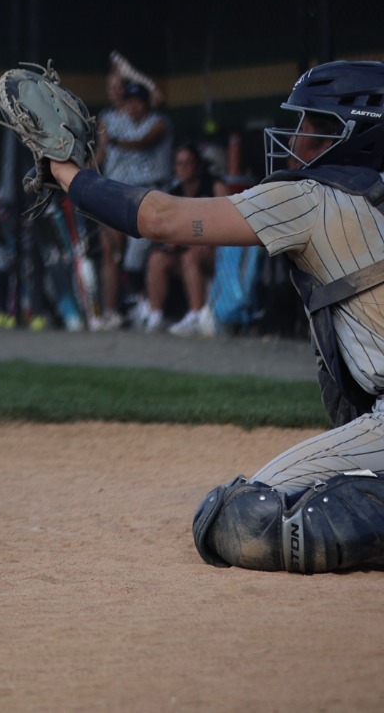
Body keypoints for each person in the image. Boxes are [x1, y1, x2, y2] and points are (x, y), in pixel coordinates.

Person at [42, 60, 384, 572]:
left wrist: (66, 173)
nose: (297, 138)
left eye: (316, 125)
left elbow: (160, 218)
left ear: (358, 134)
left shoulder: (310, 198)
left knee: (244, 516)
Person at [97, 80, 171, 328]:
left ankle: (147, 305)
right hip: (120, 192)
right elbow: (101, 152)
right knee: (114, 253)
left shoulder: (158, 122)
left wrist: (113, 142)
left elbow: (144, 142)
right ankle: (116, 310)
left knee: (136, 255)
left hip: (151, 192)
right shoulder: (113, 120)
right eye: (129, 102)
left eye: (138, 102)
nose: (134, 106)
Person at [141, 145, 217, 336]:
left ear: (197, 165)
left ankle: (197, 314)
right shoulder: (173, 193)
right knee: (157, 258)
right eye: (179, 163)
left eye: (188, 163)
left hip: (215, 252)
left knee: (190, 257)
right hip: (185, 251)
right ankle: (155, 315)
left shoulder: (213, 187)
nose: (183, 168)